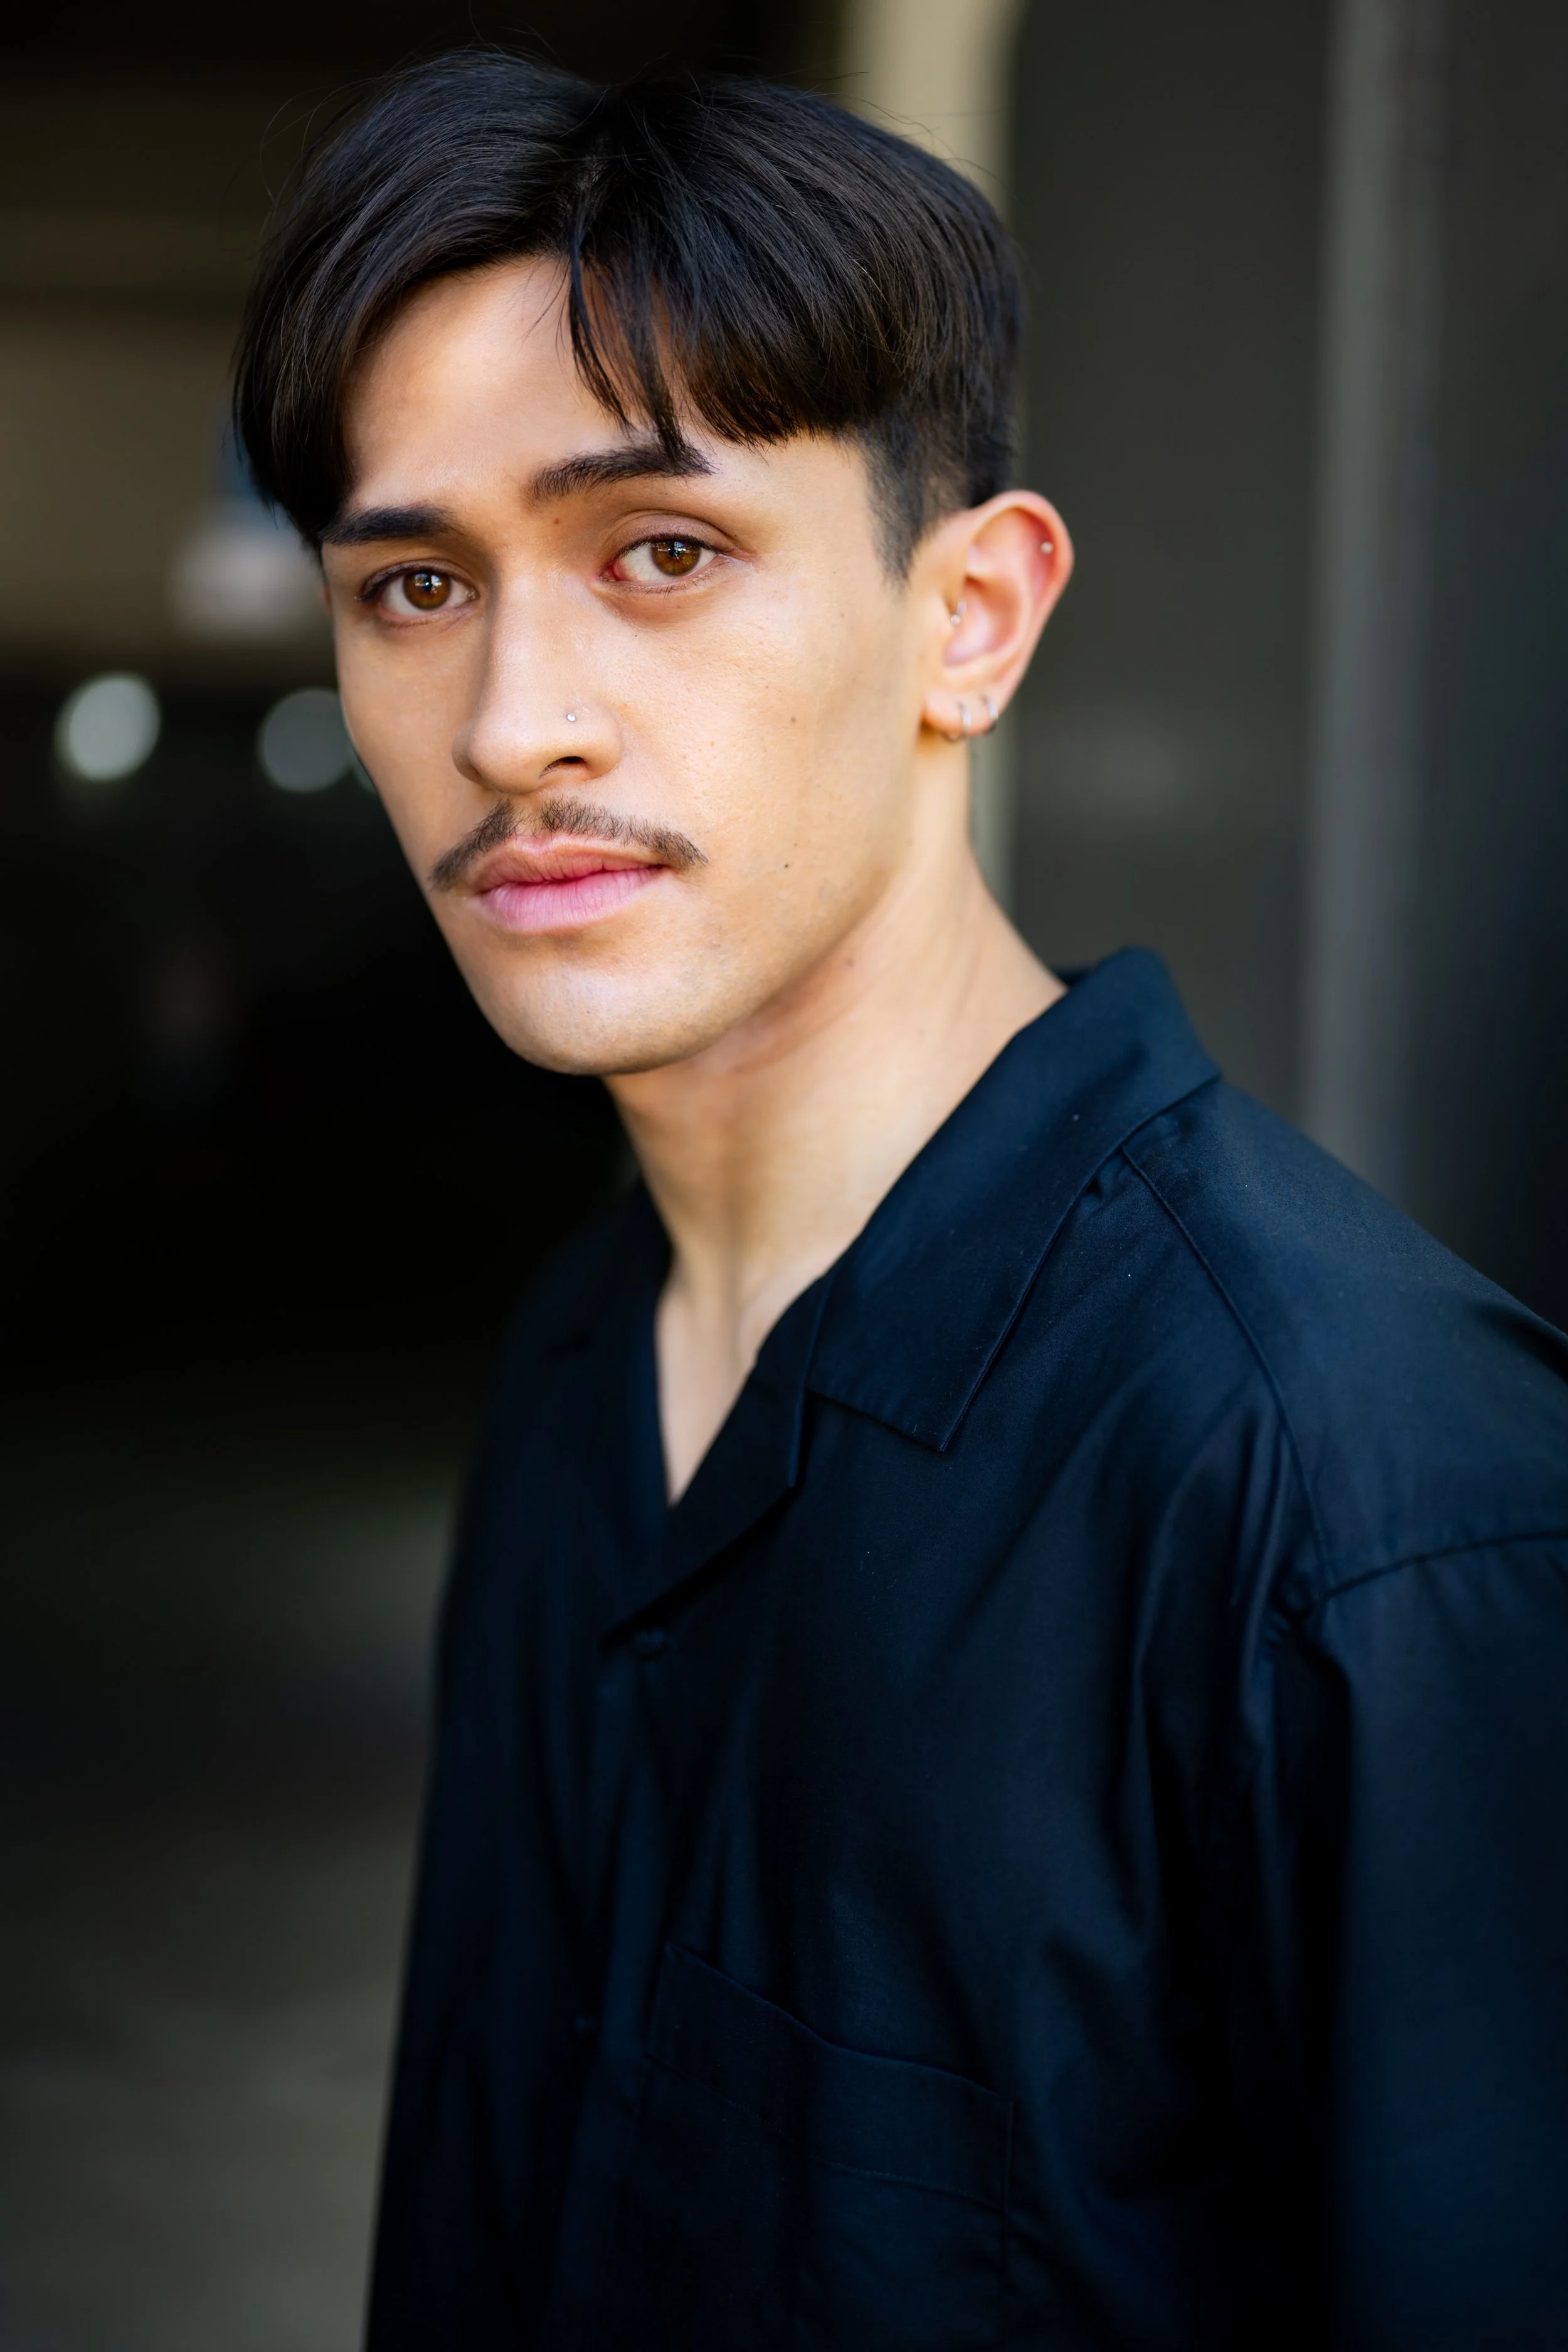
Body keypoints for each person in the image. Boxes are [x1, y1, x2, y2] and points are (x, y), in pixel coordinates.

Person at [235, 51, 1568, 2351]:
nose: (513, 716)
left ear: (970, 617)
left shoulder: (1360, 1487)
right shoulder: (585, 1364)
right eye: (419, 582)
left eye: (661, 550)